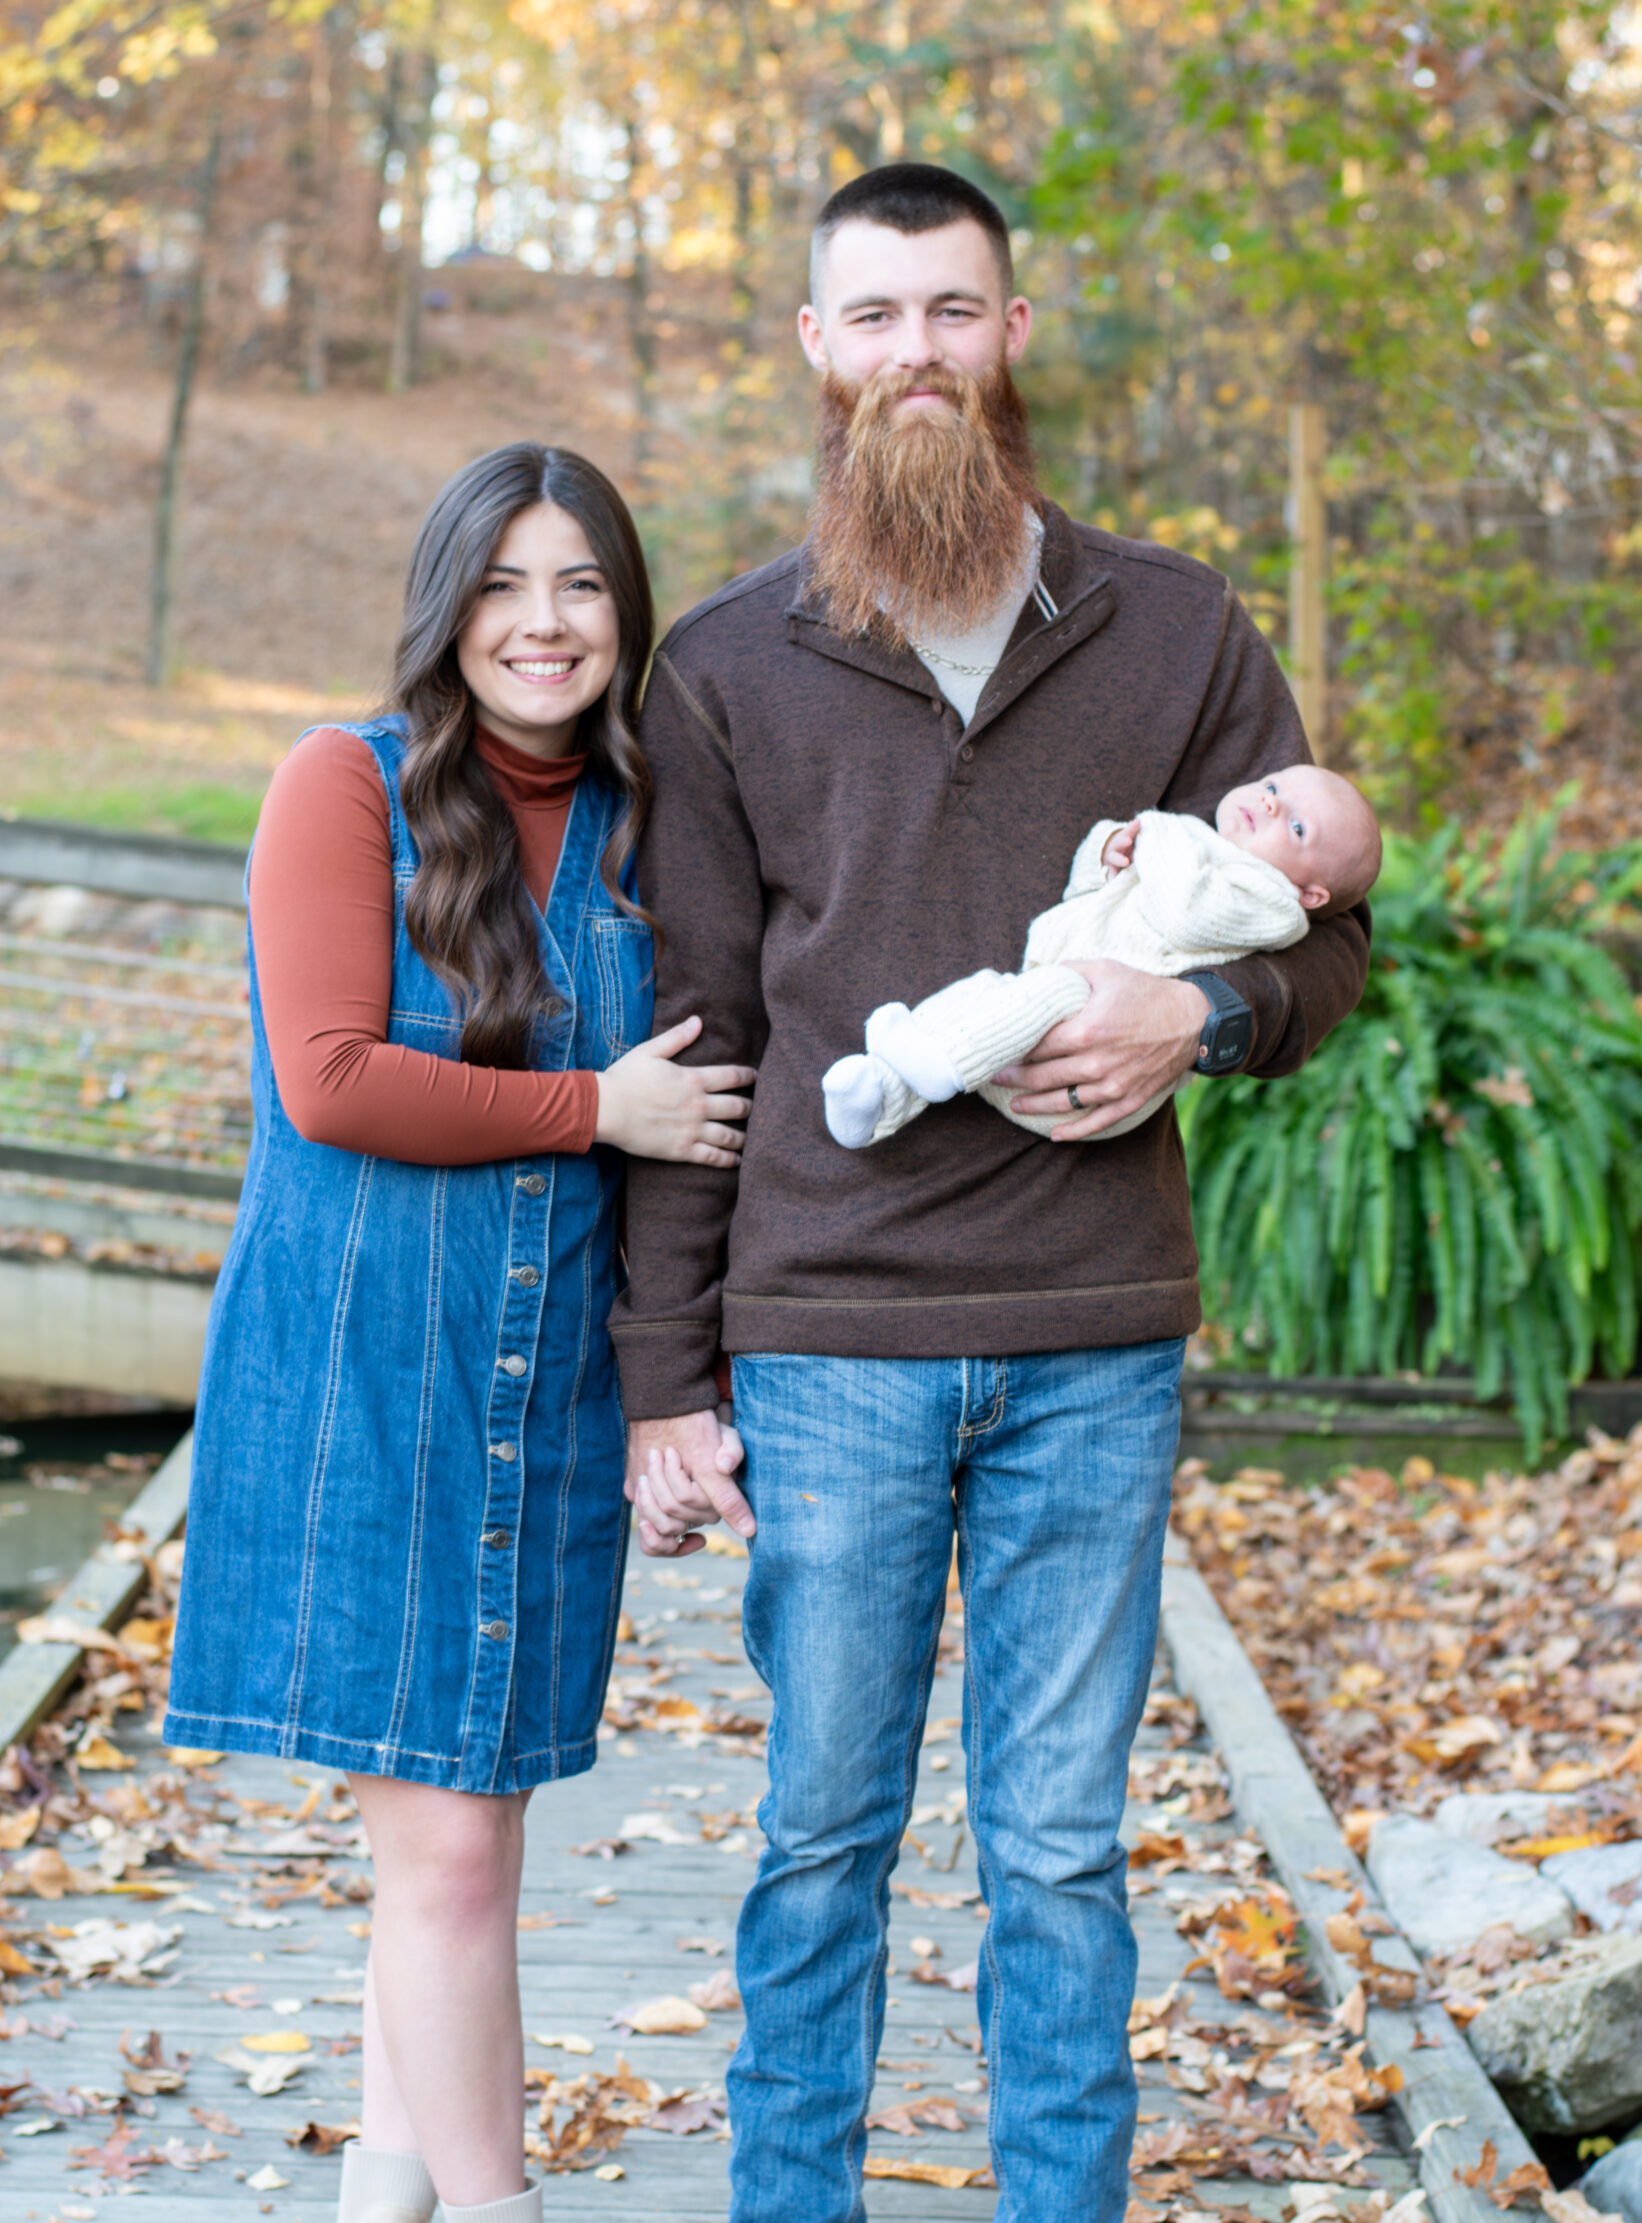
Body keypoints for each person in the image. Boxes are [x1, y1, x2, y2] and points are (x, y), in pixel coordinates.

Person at [610, 165, 1372, 2223]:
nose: (915, 357)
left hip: (1087, 1338)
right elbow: (693, 1041)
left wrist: (1187, 1022)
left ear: (1010, 337)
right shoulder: (719, 669)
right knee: (818, 1834)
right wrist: (666, 1378)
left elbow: (1321, 946)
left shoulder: (1178, 627)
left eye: (952, 312)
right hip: (829, 1337)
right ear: (815, 352)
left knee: (1055, 1845)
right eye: (873, 318)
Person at [163, 444, 754, 2223]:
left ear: (624, 612)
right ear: (447, 604)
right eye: (502, 582)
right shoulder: (341, 785)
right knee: (448, 1844)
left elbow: (711, 1115)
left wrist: (675, 1392)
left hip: (544, 1374)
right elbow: (331, 1079)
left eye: (579, 583)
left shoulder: (662, 823)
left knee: (450, 1822)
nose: (542, 621)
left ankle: (393, 2189)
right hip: (363, 1367)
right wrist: (596, 1109)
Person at [823, 761, 1382, 1145]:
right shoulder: (1205, 849)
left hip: (1092, 1066)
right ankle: (883, 1092)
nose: (1270, 804)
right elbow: (1091, 900)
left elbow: (1184, 910)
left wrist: (1160, 830)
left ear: (1312, 894)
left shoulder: (1271, 901)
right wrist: (1107, 854)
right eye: (1274, 787)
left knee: (1047, 991)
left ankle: (939, 1063)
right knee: (981, 995)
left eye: (1299, 826)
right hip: (1036, 1010)